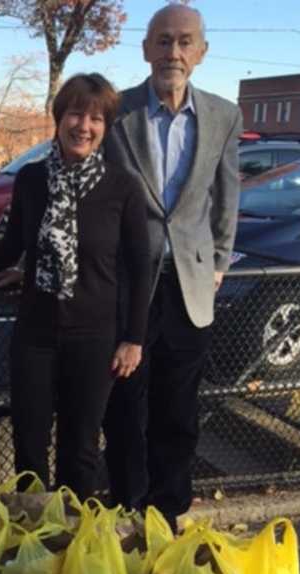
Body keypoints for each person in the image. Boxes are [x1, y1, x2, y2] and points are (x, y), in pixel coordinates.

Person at [0, 73, 151, 500]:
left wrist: (133, 339)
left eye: (96, 118)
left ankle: (72, 542)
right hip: (35, 333)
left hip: (95, 336)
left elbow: (140, 268)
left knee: (79, 450)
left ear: (106, 127)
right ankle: (31, 540)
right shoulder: (31, 179)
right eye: (75, 113)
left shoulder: (122, 186)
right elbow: (14, 244)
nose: (84, 126)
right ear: (59, 118)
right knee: (29, 446)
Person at [101, 5, 243, 530]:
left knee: (178, 413)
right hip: (125, 288)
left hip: (190, 287)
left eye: (185, 41)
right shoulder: (116, 111)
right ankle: (124, 511)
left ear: (201, 52)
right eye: (163, 41)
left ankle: (168, 516)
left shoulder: (225, 116)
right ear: (145, 49)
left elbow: (227, 197)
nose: (173, 52)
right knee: (124, 410)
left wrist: (221, 261)